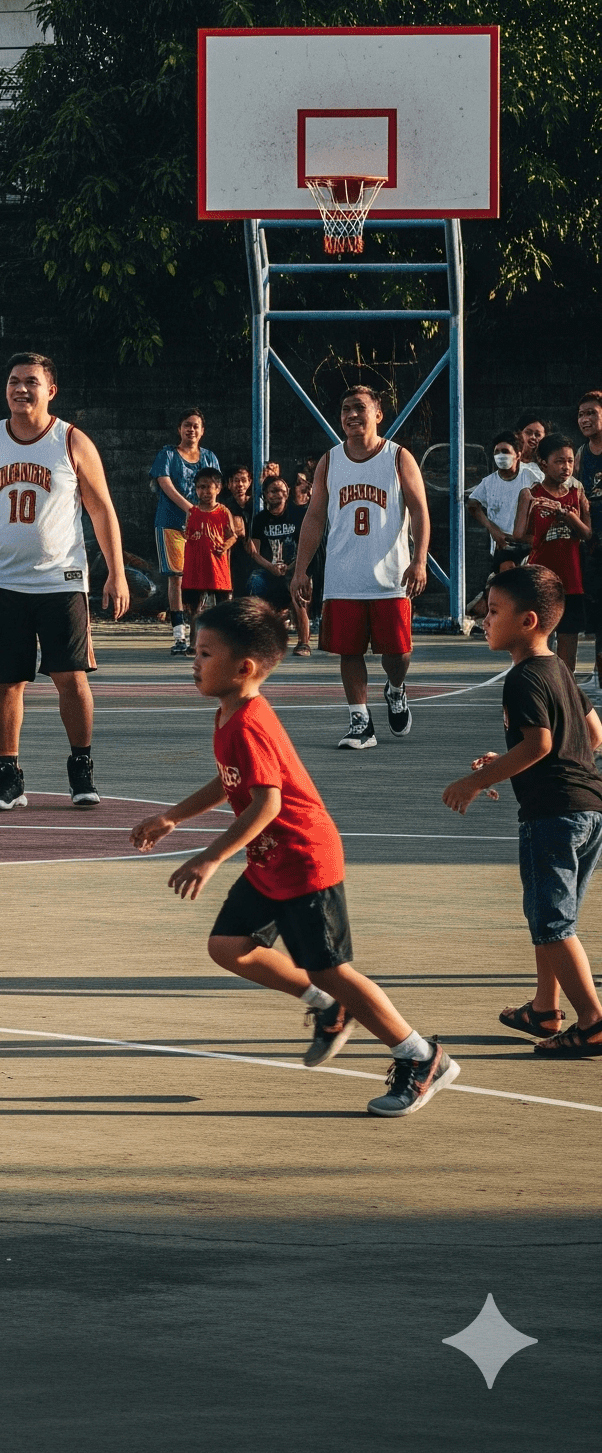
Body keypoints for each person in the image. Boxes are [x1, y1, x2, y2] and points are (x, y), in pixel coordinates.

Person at [130, 596, 458, 1116]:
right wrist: (175, 815)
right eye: (195, 650)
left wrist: (210, 857)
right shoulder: (229, 713)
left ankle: (421, 1056)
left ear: (244, 668)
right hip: (271, 862)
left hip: (304, 860)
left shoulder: (248, 723)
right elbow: (229, 781)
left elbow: (267, 803)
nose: (194, 662)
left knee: (333, 969)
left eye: (204, 653)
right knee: (229, 946)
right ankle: (326, 1007)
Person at [0, 353, 129, 811]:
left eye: (30, 382)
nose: (20, 389)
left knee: (71, 676)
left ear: (51, 390)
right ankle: (8, 775)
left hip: (60, 579)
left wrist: (116, 572)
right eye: (13, 382)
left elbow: (101, 509)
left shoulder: (71, 441)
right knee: (6, 682)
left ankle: (81, 767)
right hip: (1, 579)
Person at [442, 565, 602, 1056]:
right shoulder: (559, 670)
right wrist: (508, 761)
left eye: (492, 612)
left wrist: (477, 780)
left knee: (552, 923)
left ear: (528, 620)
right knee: (552, 916)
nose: (483, 620)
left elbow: (538, 744)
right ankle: (544, 1008)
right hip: (589, 809)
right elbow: (592, 736)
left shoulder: (523, 677)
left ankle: (594, 1021)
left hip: (551, 816)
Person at [291, 386, 432, 750]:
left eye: (359, 408)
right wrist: (300, 569)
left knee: (398, 653)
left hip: (390, 575)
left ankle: (396, 689)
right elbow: (315, 516)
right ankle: (360, 721)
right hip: (342, 574)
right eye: (345, 409)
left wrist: (419, 561)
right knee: (349, 651)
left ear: (378, 414)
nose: (351, 415)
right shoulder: (330, 460)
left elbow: (419, 510)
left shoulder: (398, 457)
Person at [513, 436, 590, 677]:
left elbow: (587, 533)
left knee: (568, 643)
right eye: (559, 461)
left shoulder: (577, 494)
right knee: (538, 638)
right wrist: (538, 516)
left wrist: (567, 515)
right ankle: (535, 683)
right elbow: (518, 534)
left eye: (569, 461)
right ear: (542, 464)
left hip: (571, 581)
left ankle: (565, 690)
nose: (566, 467)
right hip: (541, 580)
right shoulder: (530, 494)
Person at [149, 409, 218, 656]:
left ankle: (202, 635)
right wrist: (190, 508)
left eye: (196, 426)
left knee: (204, 579)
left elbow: (215, 489)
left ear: (202, 430)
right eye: (187, 425)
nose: (191, 430)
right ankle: (179, 635)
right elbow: (164, 483)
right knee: (176, 577)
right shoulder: (167, 454)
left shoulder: (209, 457)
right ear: (179, 429)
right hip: (172, 523)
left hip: (202, 528)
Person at [240, 473, 310, 652]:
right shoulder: (260, 519)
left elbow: (307, 546)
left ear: (287, 493)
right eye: (273, 491)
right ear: (264, 494)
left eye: (281, 490)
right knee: (255, 581)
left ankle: (304, 642)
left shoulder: (298, 515)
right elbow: (254, 552)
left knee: (297, 589)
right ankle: (258, 638)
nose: (277, 494)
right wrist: (270, 567)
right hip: (268, 569)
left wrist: (292, 567)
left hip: (294, 568)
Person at [468, 431, 536, 601]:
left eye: (505, 451)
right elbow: (473, 504)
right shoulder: (489, 482)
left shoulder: (529, 476)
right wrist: (492, 529)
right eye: (497, 452)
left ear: (518, 455)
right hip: (502, 545)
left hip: (529, 543)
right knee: (509, 582)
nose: (500, 456)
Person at [179, 466, 239, 627]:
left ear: (218, 488)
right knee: (194, 609)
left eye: (208, 487)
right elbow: (187, 534)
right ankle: (194, 642)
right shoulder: (192, 512)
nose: (204, 491)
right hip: (196, 566)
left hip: (217, 566)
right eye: (200, 487)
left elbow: (233, 535)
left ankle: (222, 641)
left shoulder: (223, 512)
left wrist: (224, 546)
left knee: (222, 606)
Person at [578, 392, 602, 690]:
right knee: (596, 617)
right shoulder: (582, 454)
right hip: (593, 543)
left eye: (592, 414)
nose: (585, 419)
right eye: (582, 414)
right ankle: (598, 675)